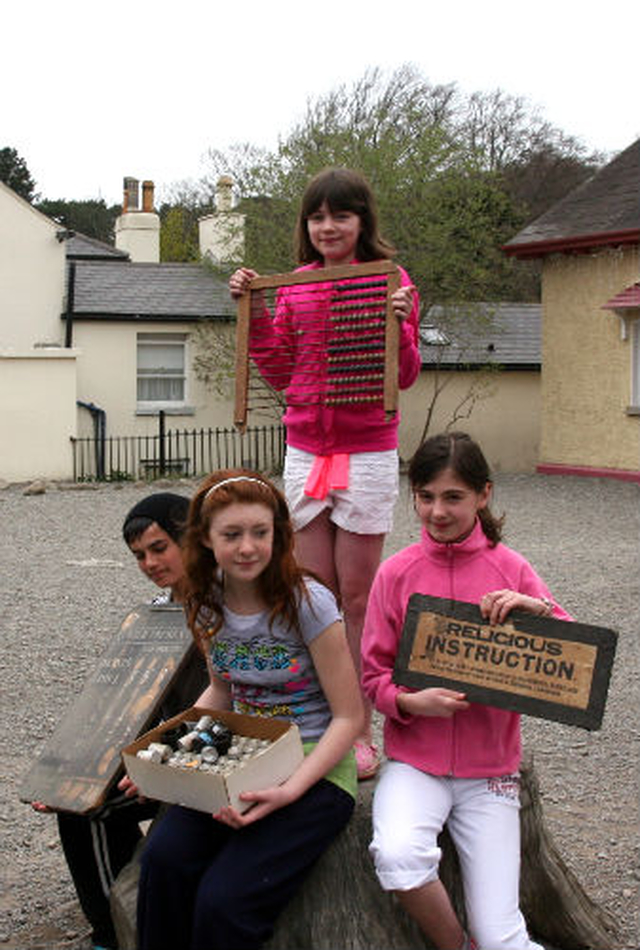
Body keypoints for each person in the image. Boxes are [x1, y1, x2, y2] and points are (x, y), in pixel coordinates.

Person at [229, 167, 421, 779]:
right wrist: (252, 309)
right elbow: (281, 369)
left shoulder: (391, 281)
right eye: (317, 217)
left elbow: (406, 374)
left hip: (365, 450)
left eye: (341, 215)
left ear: (363, 221)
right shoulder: (297, 285)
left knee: (359, 596)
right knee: (313, 593)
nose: (328, 227)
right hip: (307, 448)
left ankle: (361, 729)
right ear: (306, 226)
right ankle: (315, 719)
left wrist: (403, 323)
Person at [133, 469, 364, 950]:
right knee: (162, 863)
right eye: (231, 535)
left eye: (260, 532)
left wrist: (291, 790)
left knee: (225, 902)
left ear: (278, 534)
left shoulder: (308, 603)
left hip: (313, 766)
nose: (247, 547)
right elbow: (220, 691)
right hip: (241, 754)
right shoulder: (205, 600)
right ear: (206, 539)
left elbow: (349, 717)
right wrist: (166, 755)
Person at [360, 432, 572, 950]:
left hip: (491, 775)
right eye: (426, 496)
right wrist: (411, 703)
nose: (437, 511)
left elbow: (575, 663)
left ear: (483, 495)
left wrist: (537, 610)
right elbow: (371, 677)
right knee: (397, 855)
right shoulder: (395, 572)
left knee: (503, 936)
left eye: (453, 497)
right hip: (416, 765)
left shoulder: (511, 567)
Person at [32, 492, 206, 950]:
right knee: (78, 801)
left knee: (98, 807)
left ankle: (127, 925)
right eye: (139, 556)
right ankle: (111, 928)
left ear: (191, 538)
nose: (149, 562)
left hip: (209, 752)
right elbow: (127, 701)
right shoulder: (157, 612)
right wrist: (77, 770)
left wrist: (156, 761)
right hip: (170, 747)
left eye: (159, 548)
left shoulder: (225, 607)